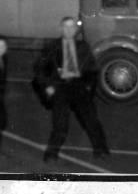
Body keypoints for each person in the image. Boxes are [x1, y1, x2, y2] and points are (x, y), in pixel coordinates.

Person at [33, 15, 110, 162]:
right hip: (60, 86)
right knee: (60, 123)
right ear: (60, 28)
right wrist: (48, 85)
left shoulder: (83, 47)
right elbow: (39, 69)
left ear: (76, 30)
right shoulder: (51, 47)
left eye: (72, 27)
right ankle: (51, 153)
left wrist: (88, 88)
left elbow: (92, 70)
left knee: (91, 120)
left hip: (78, 85)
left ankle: (101, 150)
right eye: (65, 27)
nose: (69, 30)